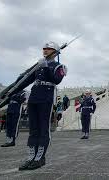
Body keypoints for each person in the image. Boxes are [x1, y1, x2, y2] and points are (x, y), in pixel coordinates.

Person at [15, 41, 67, 170]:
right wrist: (15, 89)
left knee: (43, 128)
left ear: (55, 52)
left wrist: (45, 67)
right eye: (44, 48)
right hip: (34, 97)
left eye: (48, 49)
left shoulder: (59, 66)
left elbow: (56, 80)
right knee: (33, 129)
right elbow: (27, 81)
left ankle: (40, 158)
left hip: (46, 97)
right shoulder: (38, 65)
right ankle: (31, 157)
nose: (45, 50)